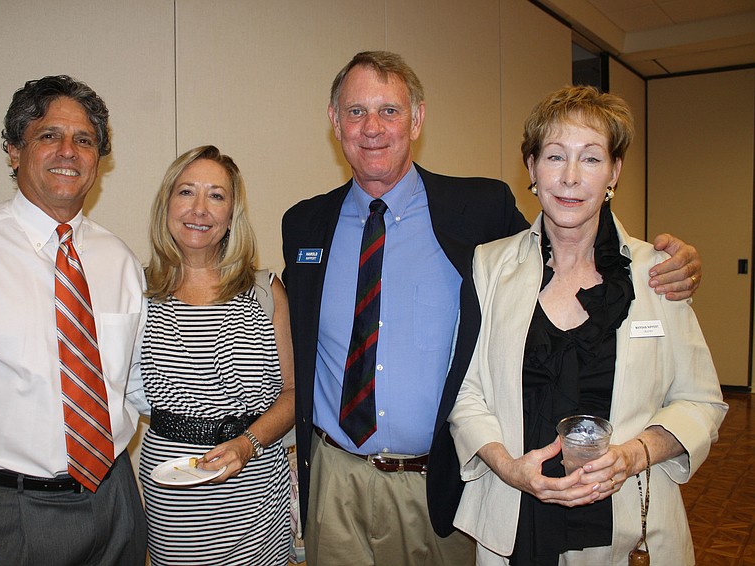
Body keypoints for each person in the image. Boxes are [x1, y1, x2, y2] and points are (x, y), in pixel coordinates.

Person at [281, 51, 704, 566]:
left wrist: (674, 261)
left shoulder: (480, 213)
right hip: (335, 477)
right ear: (334, 120)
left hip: (434, 484)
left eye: (390, 111)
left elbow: (565, 232)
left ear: (416, 119)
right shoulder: (303, 224)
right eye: (355, 111)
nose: (372, 128)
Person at [449, 85, 727, 565]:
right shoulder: (489, 266)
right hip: (517, 518)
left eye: (592, 159)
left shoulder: (656, 271)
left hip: (628, 525)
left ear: (614, 172)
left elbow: (700, 400)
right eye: (556, 156)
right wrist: (509, 467)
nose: (571, 177)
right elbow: (467, 389)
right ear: (532, 168)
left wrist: (635, 454)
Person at [0, 75, 147, 565]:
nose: (69, 151)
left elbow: (138, 388)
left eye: (84, 140)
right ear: (14, 151)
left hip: (117, 499)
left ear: (99, 161)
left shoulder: (119, 260)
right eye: (48, 135)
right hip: (7, 512)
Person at [137, 145, 295, 565]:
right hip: (173, 492)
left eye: (217, 196)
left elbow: (295, 393)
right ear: (167, 204)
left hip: (255, 482)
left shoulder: (264, 290)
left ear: (231, 215)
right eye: (186, 192)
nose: (200, 209)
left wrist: (247, 444)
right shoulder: (138, 292)